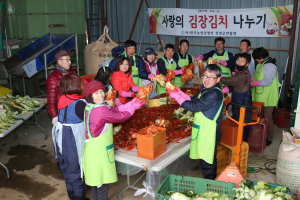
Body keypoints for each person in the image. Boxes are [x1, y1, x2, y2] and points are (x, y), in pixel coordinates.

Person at [81, 79, 146, 200]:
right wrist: (135, 106)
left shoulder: (91, 107)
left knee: (96, 183)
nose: (100, 95)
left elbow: (114, 109)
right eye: (96, 93)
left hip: (91, 151)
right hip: (99, 153)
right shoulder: (100, 111)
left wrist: (132, 103)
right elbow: (121, 116)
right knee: (102, 185)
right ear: (90, 96)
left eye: (101, 91)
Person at [167, 64, 223, 179]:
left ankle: (210, 187)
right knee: (206, 161)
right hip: (204, 133)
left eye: (211, 77)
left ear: (218, 79)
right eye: (205, 76)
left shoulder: (214, 93)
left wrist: (175, 97)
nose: (206, 79)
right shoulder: (206, 90)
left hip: (209, 135)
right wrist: (178, 91)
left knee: (208, 164)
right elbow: (192, 100)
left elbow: (194, 107)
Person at [52, 74, 87, 200]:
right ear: (77, 86)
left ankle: (72, 197)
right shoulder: (79, 104)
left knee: (67, 170)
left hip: (61, 138)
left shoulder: (63, 98)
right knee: (76, 172)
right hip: (72, 139)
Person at [251, 47, 281, 146]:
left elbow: (267, 81)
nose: (256, 61)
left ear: (260, 57)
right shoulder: (261, 64)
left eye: (256, 59)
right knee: (260, 116)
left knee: (267, 117)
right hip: (260, 95)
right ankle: (260, 135)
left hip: (269, 96)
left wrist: (253, 83)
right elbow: (258, 76)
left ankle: (269, 137)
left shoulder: (270, 66)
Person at [221, 53, 252, 142]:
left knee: (242, 122)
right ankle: (237, 140)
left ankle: (241, 142)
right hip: (238, 100)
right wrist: (228, 89)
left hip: (243, 101)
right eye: (238, 60)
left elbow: (232, 81)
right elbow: (236, 84)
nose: (239, 62)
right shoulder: (239, 72)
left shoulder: (244, 74)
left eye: (242, 61)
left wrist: (219, 77)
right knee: (237, 120)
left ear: (247, 64)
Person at [46, 50, 73, 125]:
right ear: (59, 61)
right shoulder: (52, 79)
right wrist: (54, 116)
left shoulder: (71, 74)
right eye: (67, 60)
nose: (69, 62)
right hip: (62, 111)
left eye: (70, 59)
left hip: (73, 109)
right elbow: (51, 101)